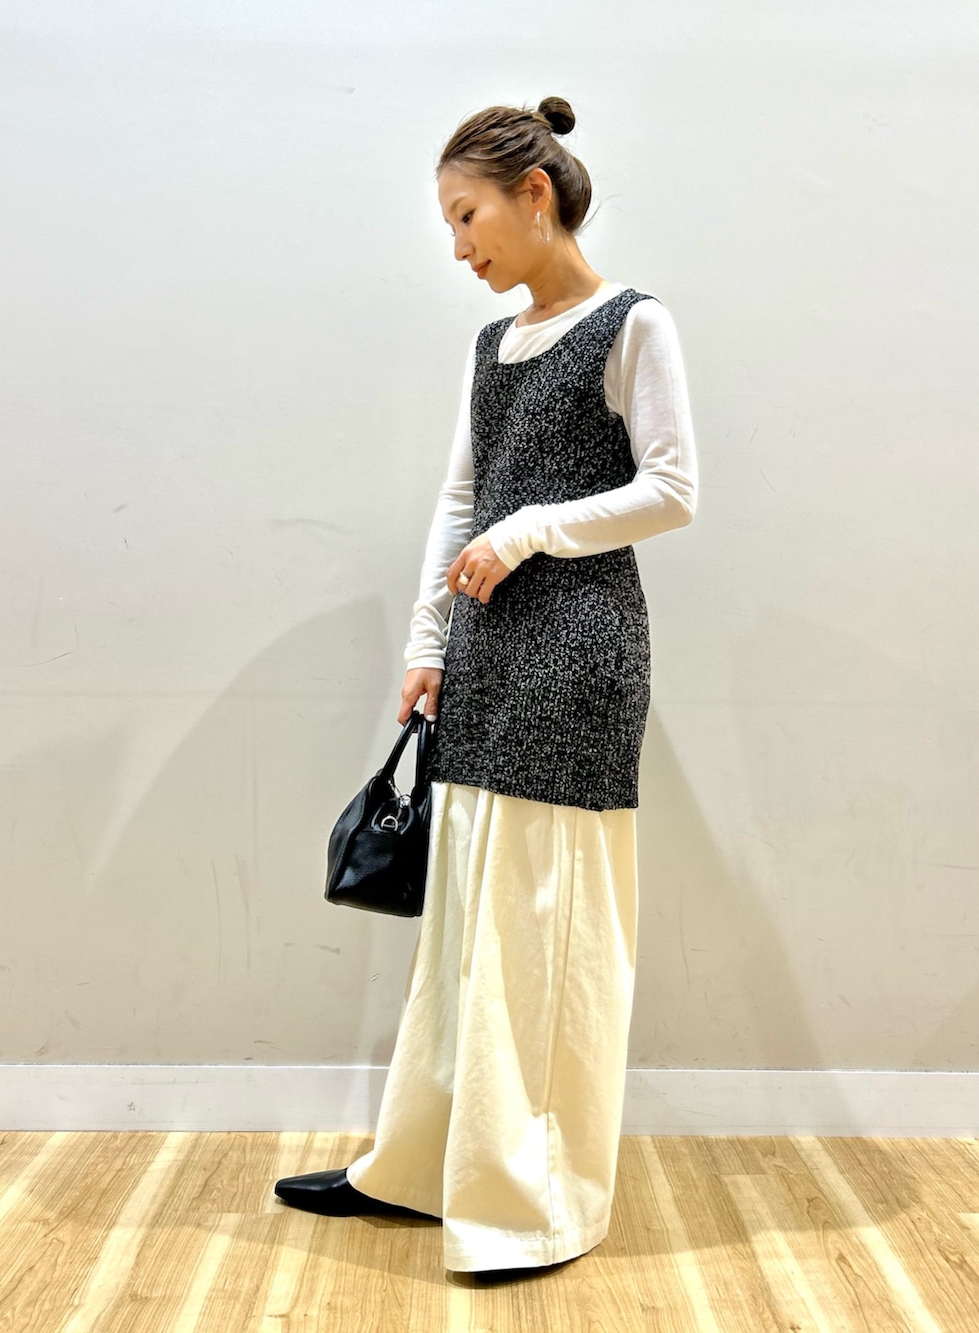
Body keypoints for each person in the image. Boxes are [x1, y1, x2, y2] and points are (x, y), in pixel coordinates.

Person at [275, 95, 698, 1277]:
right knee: (469, 930)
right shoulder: (489, 346)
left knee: (547, 934)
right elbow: (458, 502)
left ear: (534, 193)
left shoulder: (633, 323)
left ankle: (531, 1205)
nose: (458, 247)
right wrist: (426, 644)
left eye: (466, 217)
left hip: (578, 656)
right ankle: (422, 1169)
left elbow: (673, 488)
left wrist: (530, 533)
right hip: (484, 655)